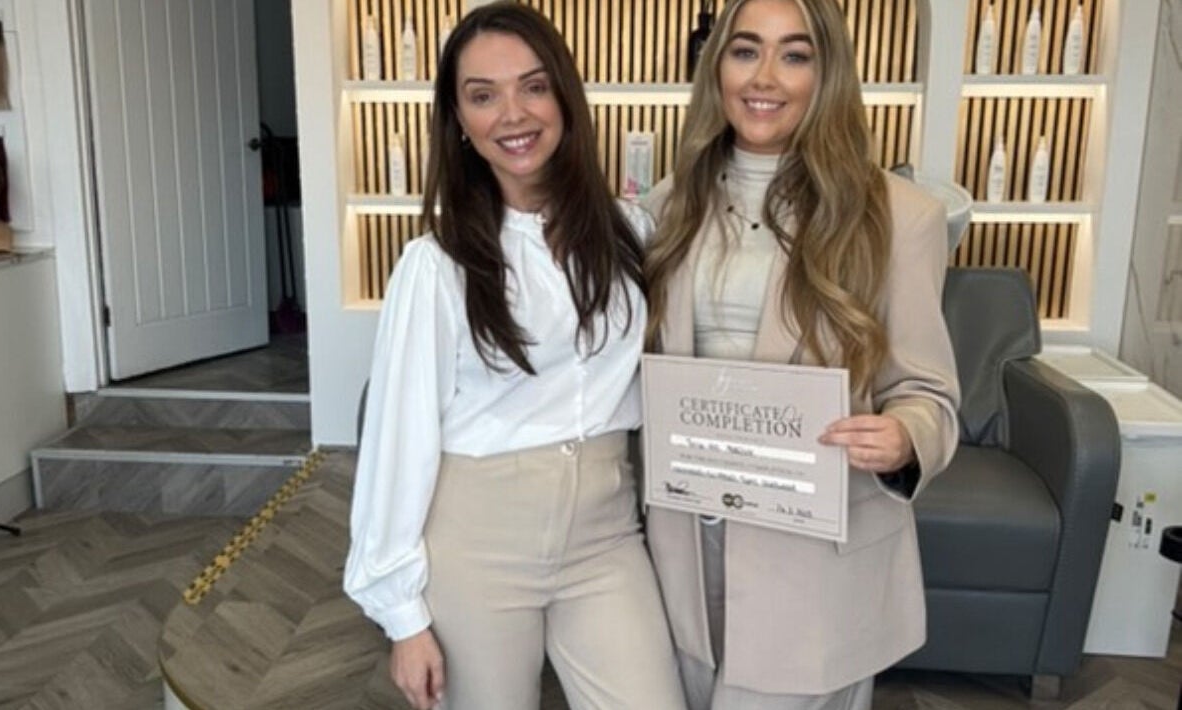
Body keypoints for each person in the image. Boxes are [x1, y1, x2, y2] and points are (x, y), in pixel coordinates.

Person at [343, 4, 687, 710]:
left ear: (563, 94)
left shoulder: (631, 234)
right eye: (482, 95)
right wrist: (404, 617)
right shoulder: (435, 267)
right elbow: (398, 439)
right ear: (459, 123)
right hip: (479, 543)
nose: (512, 114)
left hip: (605, 534)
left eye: (532, 86)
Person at [641, 0, 960, 708]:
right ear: (716, 65)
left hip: (814, 565)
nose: (766, 77)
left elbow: (930, 393)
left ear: (829, 72)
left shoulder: (899, 217)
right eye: (745, 50)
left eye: (796, 54)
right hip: (686, 546)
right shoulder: (666, 210)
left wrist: (906, 435)